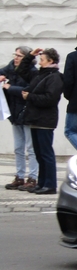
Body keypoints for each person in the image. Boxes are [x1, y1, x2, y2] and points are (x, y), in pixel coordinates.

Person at [17, 48, 64, 195]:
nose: (40, 62)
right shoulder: (40, 74)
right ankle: (42, 182)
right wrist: (31, 55)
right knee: (38, 153)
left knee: (46, 153)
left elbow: (50, 99)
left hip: (45, 120)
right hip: (35, 119)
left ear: (51, 61)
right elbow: (22, 71)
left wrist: (30, 97)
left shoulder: (55, 77)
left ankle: (50, 184)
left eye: (42, 59)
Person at [0, 47, 39, 191]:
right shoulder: (10, 68)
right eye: (15, 55)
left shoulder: (33, 72)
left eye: (19, 56)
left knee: (31, 147)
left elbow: (29, 90)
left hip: (27, 113)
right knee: (18, 148)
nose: (16, 58)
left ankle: (33, 177)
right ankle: (19, 176)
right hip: (15, 113)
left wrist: (10, 88)